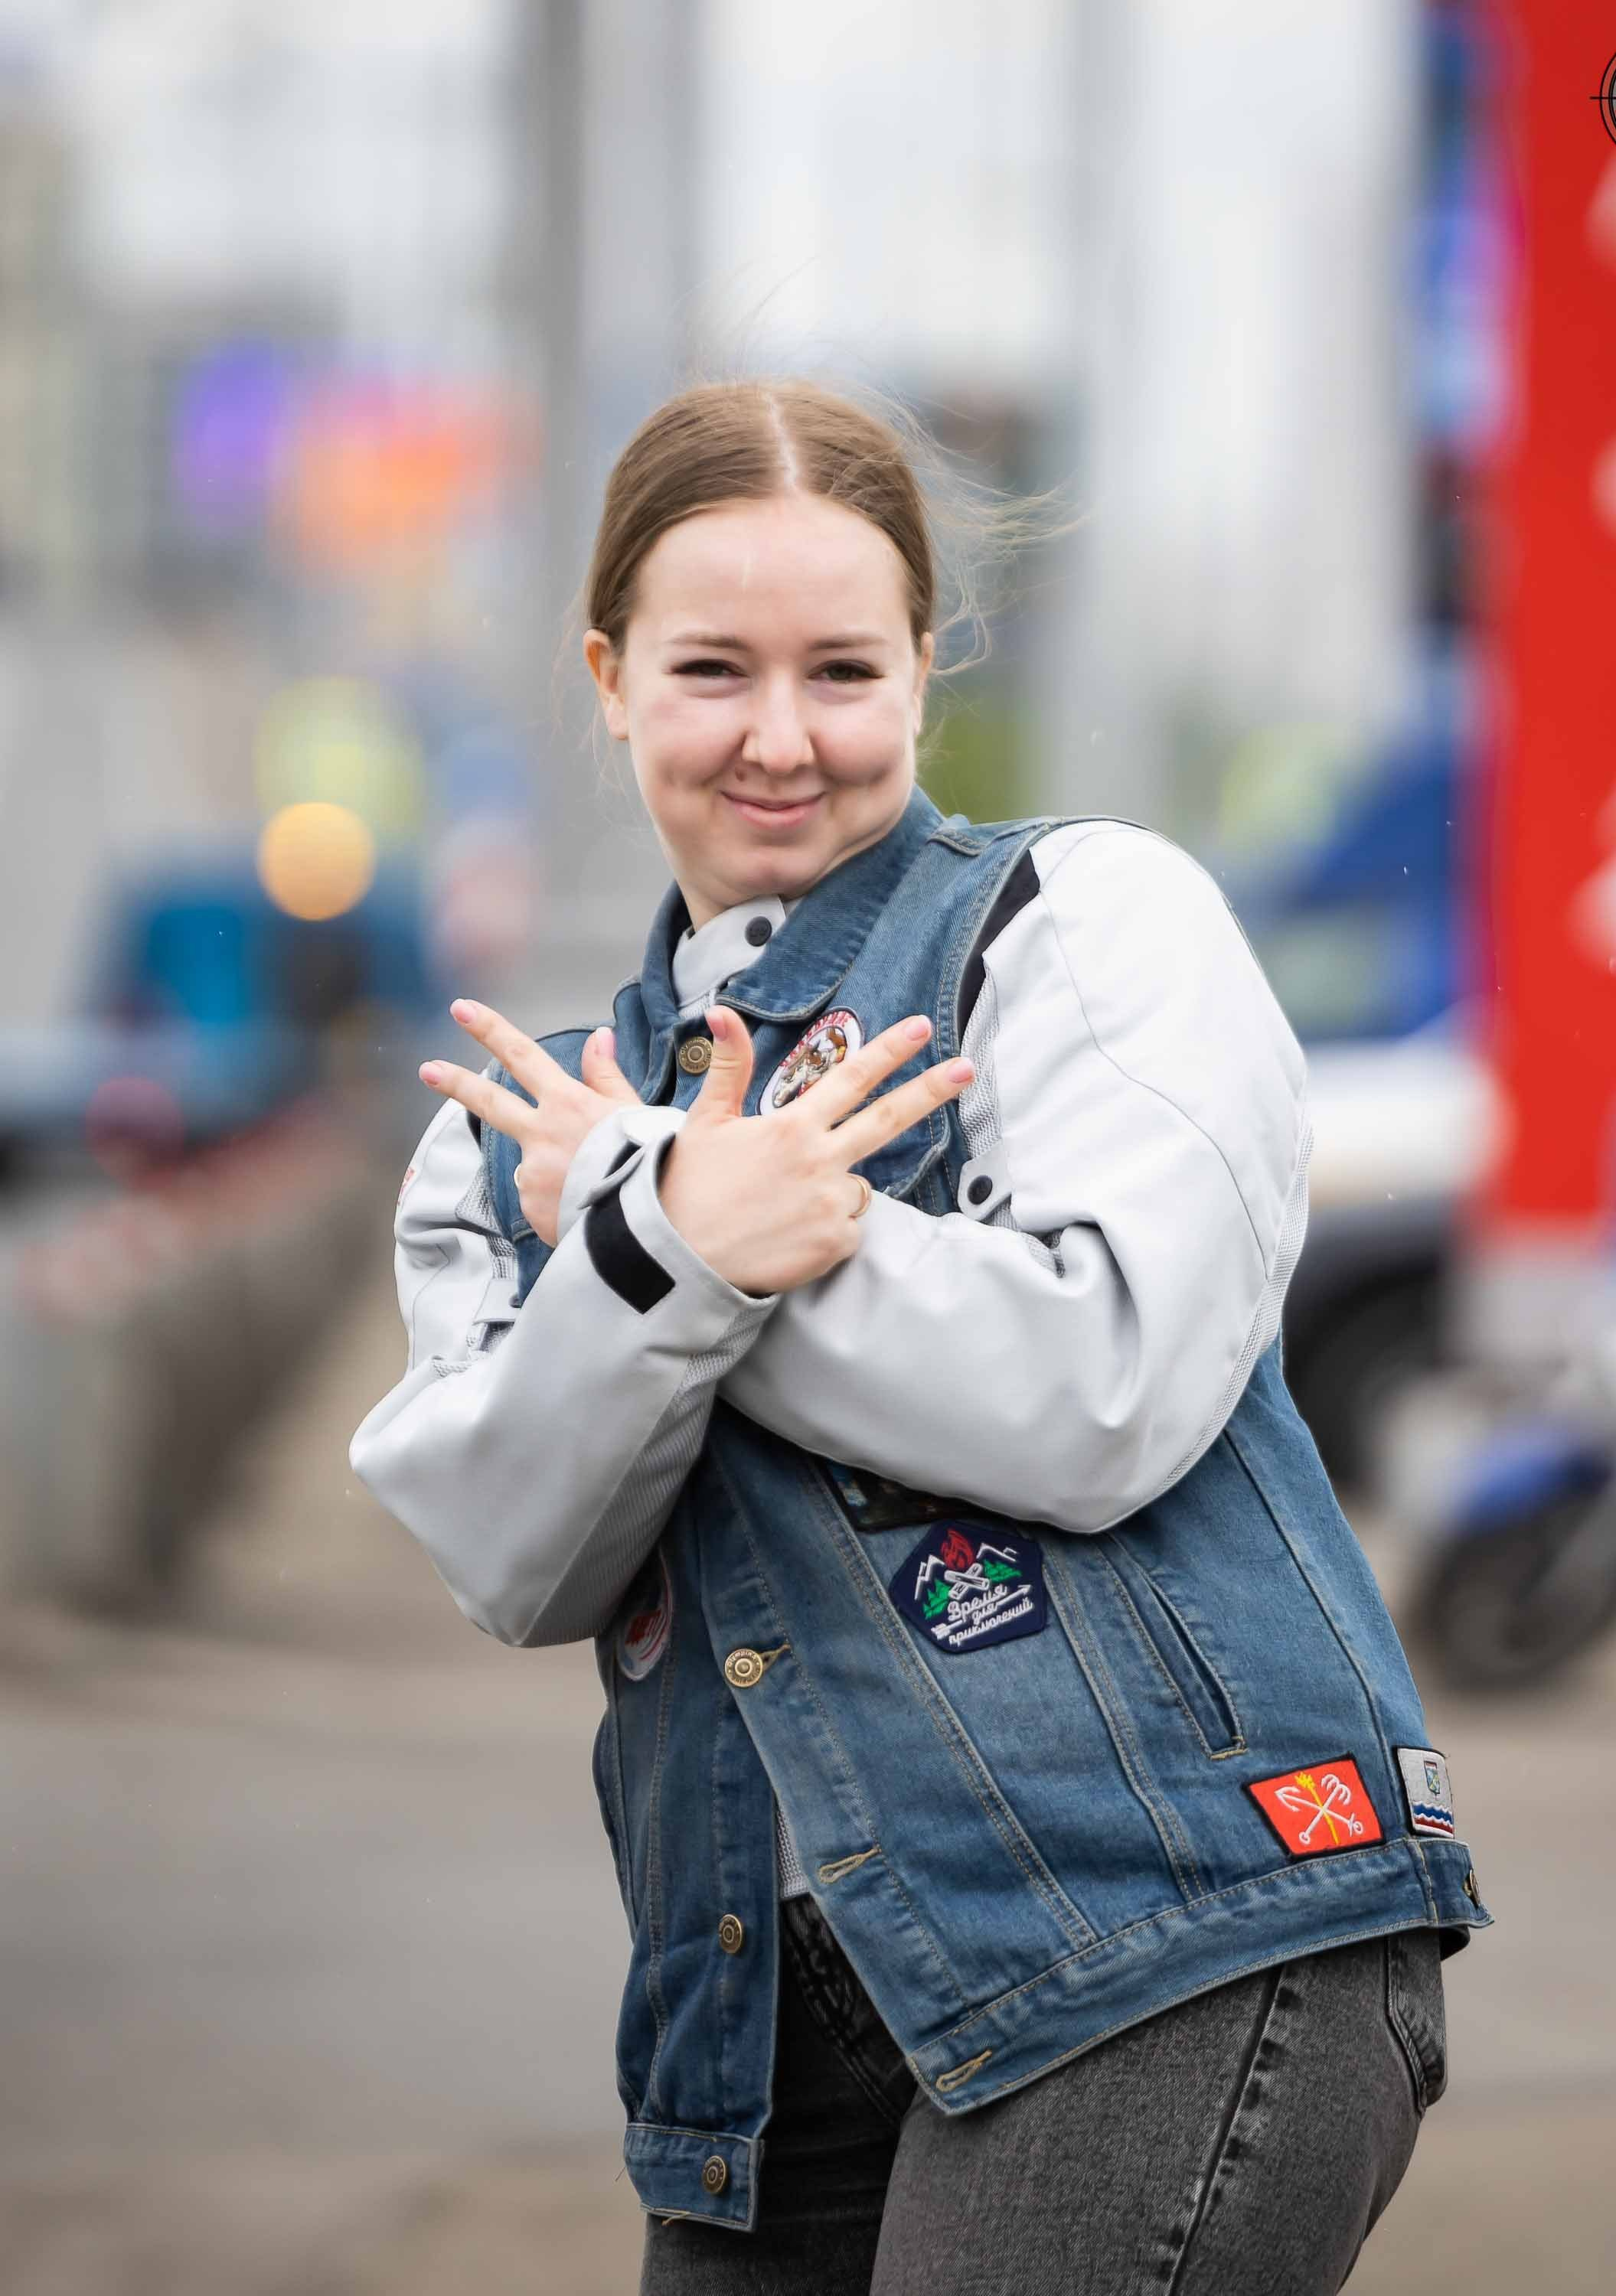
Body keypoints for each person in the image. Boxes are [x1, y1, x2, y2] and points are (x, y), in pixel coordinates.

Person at [348, 377, 1490, 2294]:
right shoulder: (512, 1128)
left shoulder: (1086, 921)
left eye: (843, 673)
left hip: (1177, 1925)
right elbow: (509, 1546)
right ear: (609, 675)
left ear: (924, 675)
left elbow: (1102, 1381)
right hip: (750, 2045)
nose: (779, 741)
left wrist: (656, 1239)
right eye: (711, 670)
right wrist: (680, 1238)